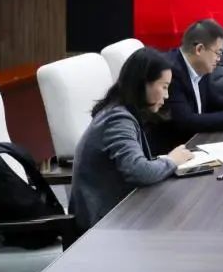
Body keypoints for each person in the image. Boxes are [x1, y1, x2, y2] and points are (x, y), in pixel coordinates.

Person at [69, 47, 193, 233]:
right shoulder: (118, 119)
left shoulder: (120, 111)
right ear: (143, 84)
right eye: (164, 87)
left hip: (118, 211)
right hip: (101, 225)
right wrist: (172, 160)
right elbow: (139, 171)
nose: (167, 96)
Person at [151, 18, 223, 154]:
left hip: (195, 143)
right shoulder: (171, 71)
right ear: (199, 49)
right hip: (172, 151)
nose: (219, 59)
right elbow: (186, 121)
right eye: (218, 53)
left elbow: (213, 100)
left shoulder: (201, 66)